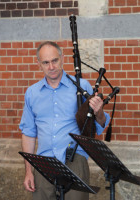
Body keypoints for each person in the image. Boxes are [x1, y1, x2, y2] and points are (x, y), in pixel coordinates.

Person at [19, 41, 110, 200]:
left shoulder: (81, 87)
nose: (51, 66)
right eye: (45, 62)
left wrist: (99, 111)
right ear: (38, 63)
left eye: (54, 60)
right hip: (43, 164)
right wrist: (28, 171)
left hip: (74, 160)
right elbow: (28, 133)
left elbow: (99, 124)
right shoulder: (32, 93)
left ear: (62, 58)